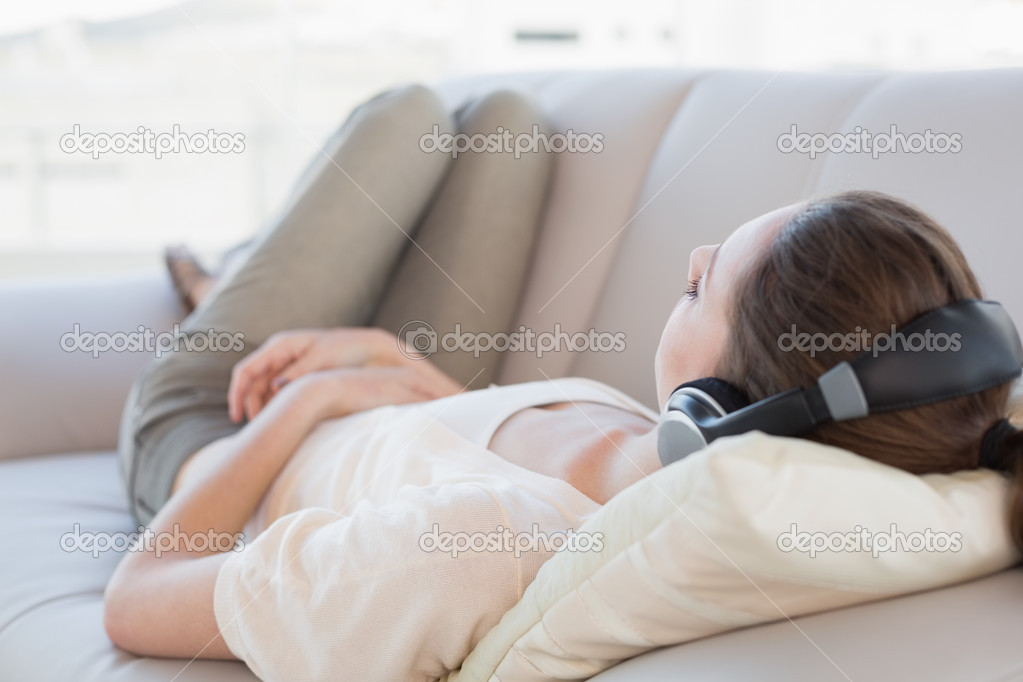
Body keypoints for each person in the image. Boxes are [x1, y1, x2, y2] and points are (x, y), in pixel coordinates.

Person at [103, 85, 1023, 681]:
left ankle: (216, 294)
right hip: (392, 392)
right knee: (503, 119)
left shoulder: (455, 556)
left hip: (220, 436)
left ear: (720, 410)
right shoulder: (658, 461)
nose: (692, 254)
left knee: (401, 115)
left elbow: (138, 597)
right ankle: (247, 278)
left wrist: (311, 401)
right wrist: (396, 372)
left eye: (697, 284)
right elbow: (453, 454)